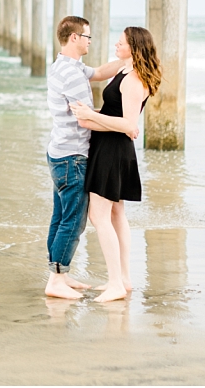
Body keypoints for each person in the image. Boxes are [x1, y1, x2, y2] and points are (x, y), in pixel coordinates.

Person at [44, 16, 134, 299]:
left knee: (60, 217)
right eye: (88, 37)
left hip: (58, 152)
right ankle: (56, 281)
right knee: (73, 220)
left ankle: (61, 274)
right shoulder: (71, 75)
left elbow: (98, 72)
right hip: (73, 156)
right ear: (74, 38)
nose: (90, 41)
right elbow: (85, 120)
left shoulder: (65, 67)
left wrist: (130, 58)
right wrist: (119, 125)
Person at [70, 27, 162, 303]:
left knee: (99, 216)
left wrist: (89, 114)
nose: (116, 44)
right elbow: (116, 113)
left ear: (133, 47)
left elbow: (128, 126)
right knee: (116, 215)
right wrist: (96, 115)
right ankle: (123, 279)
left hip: (112, 150)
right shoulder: (124, 70)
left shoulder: (134, 80)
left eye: (121, 42)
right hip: (108, 147)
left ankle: (115, 284)